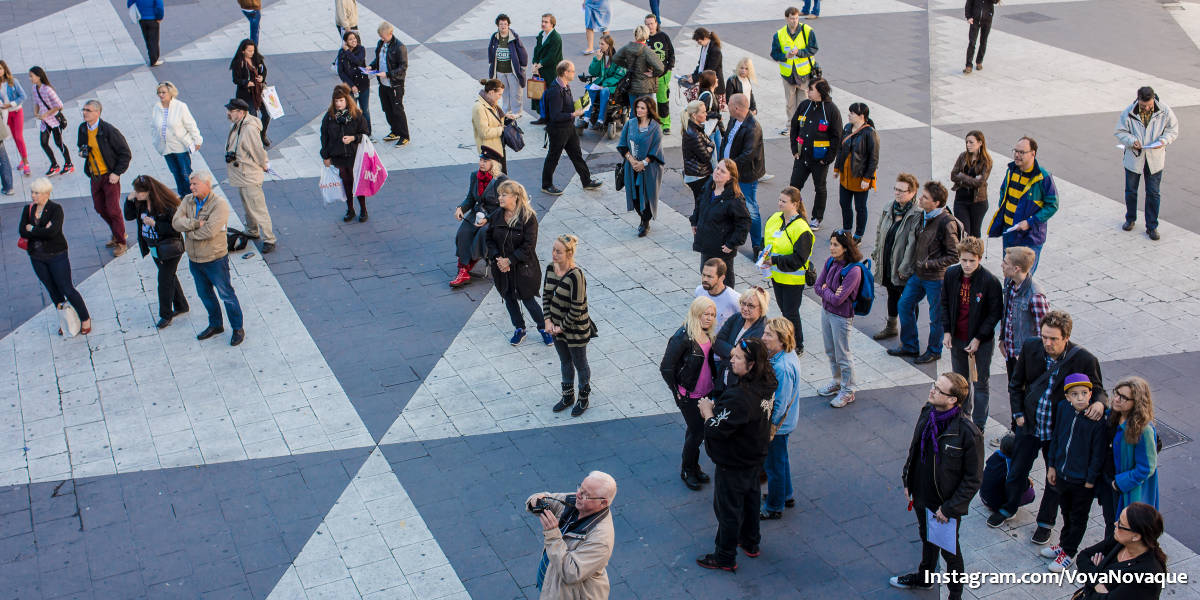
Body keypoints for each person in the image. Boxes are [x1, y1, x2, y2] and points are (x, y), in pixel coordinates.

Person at [989, 311, 1106, 546]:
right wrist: (1018, 414)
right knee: (1017, 470)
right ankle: (1009, 507)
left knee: (1054, 478)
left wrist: (1101, 403)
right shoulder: (1032, 347)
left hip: (1058, 431)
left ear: (1066, 337)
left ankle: (1045, 523)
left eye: (1053, 339)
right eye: (1044, 337)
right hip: (1029, 424)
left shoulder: (1084, 359)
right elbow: (1016, 383)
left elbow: (1099, 389)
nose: (1047, 343)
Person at [890, 372, 983, 600]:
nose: (932, 390)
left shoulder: (968, 433)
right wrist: (907, 480)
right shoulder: (927, 412)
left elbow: (973, 479)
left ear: (953, 400)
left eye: (939, 389)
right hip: (921, 493)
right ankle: (924, 578)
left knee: (950, 552)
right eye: (935, 385)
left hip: (944, 503)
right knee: (926, 537)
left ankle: (955, 595)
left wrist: (950, 509)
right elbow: (914, 449)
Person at [695, 337, 777, 572]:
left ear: (751, 364)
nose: (731, 359)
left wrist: (707, 411)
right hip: (756, 453)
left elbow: (716, 429)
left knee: (728, 509)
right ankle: (751, 541)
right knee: (751, 498)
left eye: (738, 358)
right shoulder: (768, 381)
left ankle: (724, 556)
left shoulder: (740, 397)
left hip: (734, 460)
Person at [1042, 373, 1109, 573]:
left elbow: (1098, 453)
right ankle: (1063, 545)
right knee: (1066, 512)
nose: (1080, 397)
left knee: (1078, 516)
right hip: (1062, 474)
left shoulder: (1097, 420)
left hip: (1082, 482)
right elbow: (1056, 437)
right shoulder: (1063, 409)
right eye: (1074, 394)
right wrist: (1052, 465)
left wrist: (1090, 480)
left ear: (1090, 394)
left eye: (1084, 393)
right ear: (1067, 397)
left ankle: (1069, 553)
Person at [889, 181, 961, 364]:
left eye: (925, 197)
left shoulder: (946, 222)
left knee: (936, 316)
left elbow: (954, 255)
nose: (920, 198)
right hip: (918, 274)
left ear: (936, 203)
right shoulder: (924, 215)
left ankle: (934, 350)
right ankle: (910, 346)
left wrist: (930, 264)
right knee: (904, 305)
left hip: (936, 278)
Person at [939, 236, 1002, 431]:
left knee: (980, 383)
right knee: (960, 381)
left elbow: (994, 313)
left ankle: (979, 424)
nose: (967, 265)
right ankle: (963, 417)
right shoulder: (951, 274)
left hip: (980, 342)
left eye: (971, 261)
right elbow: (945, 303)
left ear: (980, 259)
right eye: (964, 260)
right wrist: (947, 331)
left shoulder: (990, 281)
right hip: (957, 337)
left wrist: (978, 338)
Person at [174, 171, 243, 345]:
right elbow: (176, 222)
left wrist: (188, 231)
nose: (191, 187)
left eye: (195, 184)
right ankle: (216, 324)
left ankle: (237, 328)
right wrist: (195, 224)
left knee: (226, 294)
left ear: (207, 184)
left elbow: (210, 231)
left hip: (215, 259)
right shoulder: (188, 200)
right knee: (205, 295)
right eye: (191, 184)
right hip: (195, 260)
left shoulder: (219, 205)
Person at [18, 177, 92, 335]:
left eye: (37, 193)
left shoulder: (55, 209)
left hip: (56, 255)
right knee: (52, 289)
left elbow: (53, 232)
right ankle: (66, 319)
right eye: (32, 192)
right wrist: (41, 230)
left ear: (46, 194)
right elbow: (22, 231)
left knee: (67, 287)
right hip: (37, 256)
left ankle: (85, 318)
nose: (33, 196)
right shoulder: (28, 209)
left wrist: (33, 229)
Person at [526, 472, 617, 599]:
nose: (578, 494)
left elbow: (571, 573)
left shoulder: (601, 539)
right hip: (551, 583)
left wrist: (552, 536)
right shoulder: (575, 501)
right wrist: (535, 502)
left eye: (586, 495)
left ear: (603, 503)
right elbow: (545, 498)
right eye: (580, 487)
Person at [661, 296, 719, 490]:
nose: (709, 318)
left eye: (712, 314)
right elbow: (666, 367)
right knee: (697, 432)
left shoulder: (708, 333)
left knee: (694, 432)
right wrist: (676, 390)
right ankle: (687, 470)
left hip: (707, 391)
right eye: (705, 314)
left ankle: (694, 466)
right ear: (696, 313)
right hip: (689, 395)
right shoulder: (682, 337)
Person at [487, 180, 552, 346]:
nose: (500, 197)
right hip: (501, 267)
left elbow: (528, 246)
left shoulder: (528, 218)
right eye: (499, 194)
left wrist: (510, 260)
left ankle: (544, 328)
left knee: (528, 299)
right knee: (509, 298)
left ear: (515, 197)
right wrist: (498, 259)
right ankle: (519, 328)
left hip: (524, 268)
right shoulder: (496, 215)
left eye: (504, 194)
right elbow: (488, 239)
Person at [1115, 86, 1179, 241]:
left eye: (1149, 105)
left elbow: (1173, 130)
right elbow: (1120, 132)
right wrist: (1132, 141)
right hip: (1134, 157)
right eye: (1143, 106)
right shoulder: (1129, 112)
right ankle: (1130, 219)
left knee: (1153, 193)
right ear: (1138, 100)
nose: (1147, 108)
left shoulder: (1164, 111)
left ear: (1153, 99)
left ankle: (1152, 226)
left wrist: (1163, 141)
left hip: (1155, 158)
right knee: (1131, 191)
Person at [544, 234, 598, 417]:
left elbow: (578, 307)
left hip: (575, 329)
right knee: (565, 361)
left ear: (569, 253)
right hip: (556, 327)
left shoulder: (576, 275)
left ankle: (583, 398)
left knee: (580, 363)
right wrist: (548, 320)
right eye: (553, 250)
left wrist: (562, 327)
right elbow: (546, 297)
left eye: (558, 252)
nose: (554, 254)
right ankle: (568, 396)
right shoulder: (550, 269)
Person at [987, 136, 1058, 274]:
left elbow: (1052, 205)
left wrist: (1030, 222)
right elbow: (1003, 192)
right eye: (1015, 151)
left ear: (1033, 154)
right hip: (1010, 232)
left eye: (1021, 152)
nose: (1017, 155)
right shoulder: (1011, 171)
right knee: (1008, 274)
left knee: (1023, 278)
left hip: (1029, 238)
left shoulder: (1043, 177)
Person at [124, 175, 188, 328]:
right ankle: (181, 305)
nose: (137, 194)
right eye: (136, 191)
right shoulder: (140, 204)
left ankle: (165, 315)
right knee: (169, 276)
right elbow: (128, 216)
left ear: (149, 191)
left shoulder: (167, 205)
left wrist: (155, 224)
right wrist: (128, 200)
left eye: (139, 192)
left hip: (169, 248)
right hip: (154, 248)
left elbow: (176, 228)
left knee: (164, 280)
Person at [1074, 503, 1167, 600]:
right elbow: (1083, 556)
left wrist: (1093, 575)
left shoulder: (1146, 575)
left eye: (1121, 524)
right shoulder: (1120, 540)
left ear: (1136, 536)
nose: (1115, 524)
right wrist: (1097, 583)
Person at [761, 187, 814, 353]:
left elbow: (799, 259)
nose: (779, 204)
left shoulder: (802, 229)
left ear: (795, 204)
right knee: (785, 311)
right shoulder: (775, 219)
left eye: (784, 201)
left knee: (791, 313)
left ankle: (798, 344)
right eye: (779, 200)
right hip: (777, 276)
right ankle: (787, 339)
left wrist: (774, 260)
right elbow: (767, 240)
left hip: (792, 280)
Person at [77, 99, 132, 257]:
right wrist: (83, 152)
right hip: (94, 176)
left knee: (114, 210)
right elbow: (81, 146)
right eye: (84, 110)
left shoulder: (108, 130)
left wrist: (117, 173)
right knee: (100, 208)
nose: (84, 113)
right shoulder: (82, 129)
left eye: (88, 110)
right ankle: (117, 232)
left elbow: (125, 153)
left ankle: (121, 241)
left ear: (97, 113)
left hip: (109, 176)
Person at [815, 230, 863, 408]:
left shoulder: (853, 270)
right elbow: (817, 286)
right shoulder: (830, 262)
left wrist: (826, 291)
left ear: (845, 247)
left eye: (836, 244)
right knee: (830, 351)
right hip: (826, 312)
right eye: (831, 243)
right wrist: (828, 291)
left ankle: (848, 390)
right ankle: (837, 381)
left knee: (843, 353)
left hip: (841, 317)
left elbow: (838, 299)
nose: (831, 248)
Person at [871, 173, 922, 341]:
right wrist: (877, 252)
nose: (897, 193)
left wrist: (905, 268)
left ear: (912, 192)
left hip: (903, 267)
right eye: (896, 189)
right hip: (887, 262)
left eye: (902, 190)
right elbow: (879, 232)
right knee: (891, 294)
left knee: (908, 301)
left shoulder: (916, 215)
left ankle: (910, 335)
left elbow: (912, 245)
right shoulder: (888, 207)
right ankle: (891, 326)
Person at [540, 61, 603, 196]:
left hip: (569, 128)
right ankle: (546, 185)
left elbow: (565, 107)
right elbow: (556, 115)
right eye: (572, 71)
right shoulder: (555, 91)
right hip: (558, 130)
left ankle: (586, 181)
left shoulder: (565, 86)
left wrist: (578, 105)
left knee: (577, 155)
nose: (574, 73)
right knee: (553, 157)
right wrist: (574, 114)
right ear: (565, 73)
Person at [760, 318, 801, 518]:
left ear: (782, 339)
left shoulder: (781, 367)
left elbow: (780, 403)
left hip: (779, 425)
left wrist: (770, 426)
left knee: (773, 466)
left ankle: (774, 506)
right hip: (788, 421)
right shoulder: (788, 354)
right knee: (781, 459)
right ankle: (786, 494)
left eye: (769, 335)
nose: (763, 337)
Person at [788, 77, 841, 229]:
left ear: (821, 92)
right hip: (801, 156)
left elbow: (837, 136)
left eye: (811, 89)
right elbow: (794, 126)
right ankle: (793, 212)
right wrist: (794, 149)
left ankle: (817, 217)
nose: (808, 91)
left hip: (819, 160)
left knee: (820, 188)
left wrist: (828, 159)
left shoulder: (831, 110)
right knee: (794, 186)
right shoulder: (805, 105)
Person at [450, 147, 507, 288]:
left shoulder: (502, 180)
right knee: (463, 233)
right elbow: (470, 198)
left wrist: (487, 219)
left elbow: (504, 205)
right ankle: (463, 269)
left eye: (485, 161)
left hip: (495, 215)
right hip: (478, 213)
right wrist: (460, 208)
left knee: (482, 233)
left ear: (493, 163)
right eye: (480, 160)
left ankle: (467, 265)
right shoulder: (475, 175)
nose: (481, 163)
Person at [224, 98, 275, 253]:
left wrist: (264, 164)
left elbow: (257, 151)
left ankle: (269, 239)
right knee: (247, 205)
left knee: (258, 207)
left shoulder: (249, 128)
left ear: (241, 112)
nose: (228, 113)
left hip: (248, 174)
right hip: (241, 174)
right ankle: (252, 230)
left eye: (231, 111)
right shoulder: (238, 124)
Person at [691, 159, 750, 287]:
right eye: (717, 168)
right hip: (706, 243)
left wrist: (732, 243)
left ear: (730, 177)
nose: (717, 172)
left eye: (722, 171)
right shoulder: (708, 187)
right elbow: (699, 205)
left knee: (724, 280)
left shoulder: (735, 198)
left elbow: (744, 222)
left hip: (722, 248)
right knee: (706, 273)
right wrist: (694, 221)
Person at [719, 94, 766, 256]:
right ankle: (732, 238)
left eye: (729, 104)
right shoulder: (734, 120)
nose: (727, 106)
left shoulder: (753, 127)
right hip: (730, 172)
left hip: (745, 175)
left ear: (737, 108)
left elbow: (748, 154)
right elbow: (726, 142)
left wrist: (728, 168)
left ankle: (757, 245)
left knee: (750, 208)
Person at [320, 84, 371, 223]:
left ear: (347, 100)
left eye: (341, 101)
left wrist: (353, 138)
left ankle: (363, 209)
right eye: (336, 101)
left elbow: (365, 133)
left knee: (358, 182)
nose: (338, 104)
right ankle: (350, 209)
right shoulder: (329, 117)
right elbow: (324, 136)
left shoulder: (356, 115)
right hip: (339, 156)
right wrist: (325, 156)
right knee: (346, 183)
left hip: (355, 155)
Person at [1109, 376, 1159, 515]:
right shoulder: (1114, 414)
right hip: (1110, 484)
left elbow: (1147, 468)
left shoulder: (1144, 430)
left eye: (1123, 397)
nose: (1117, 399)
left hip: (1129, 492)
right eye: (1117, 393)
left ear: (1136, 402)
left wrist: (1120, 483)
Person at [618, 97, 664, 237]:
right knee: (635, 196)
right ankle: (643, 219)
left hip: (650, 168)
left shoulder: (655, 127)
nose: (639, 110)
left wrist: (643, 163)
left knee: (648, 195)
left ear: (649, 110)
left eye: (642, 108)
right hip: (631, 168)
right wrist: (632, 161)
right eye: (637, 107)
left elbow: (656, 150)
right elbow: (622, 145)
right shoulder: (630, 124)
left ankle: (645, 222)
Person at [832, 102, 878, 240]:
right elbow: (840, 149)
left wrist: (867, 179)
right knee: (844, 203)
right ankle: (847, 230)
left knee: (860, 207)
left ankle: (858, 234)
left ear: (861, 116)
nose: (849, 115)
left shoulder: (870, 133)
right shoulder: (847, 128)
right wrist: (836, 168)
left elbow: (873, 158)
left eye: (852, 113)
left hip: (859, 177)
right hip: (845, 176)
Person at [998, 246, 1047, 376]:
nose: (1002, 265)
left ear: (1016, 268)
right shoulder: (1010, 284)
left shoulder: (1035, 295)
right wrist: (1003, 338)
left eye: (1005, 262)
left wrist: (1030, 355)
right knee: (1013, 390)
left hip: (1025, 356)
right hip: (1011, 352)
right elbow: (1008, 315)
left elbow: (1043, 330)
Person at [770, 7, 818, 133]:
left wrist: (800, 53)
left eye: (796, 18)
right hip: (788, 75)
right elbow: (774, 54)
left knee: (804, 101)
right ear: (786, 18)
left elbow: (814, 48)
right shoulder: (779, 34)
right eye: (792, 18)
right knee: (790, 103)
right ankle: (791, 127)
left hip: (804, 74)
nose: (794, 21)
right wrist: (785, 56)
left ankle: (803, 126)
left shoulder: (807, 31)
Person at [151, 82, 203, 197]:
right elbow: (153, 126)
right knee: (175, 173)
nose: (161, 95)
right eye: (159, 93)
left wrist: (197, 140)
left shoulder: (180, 106)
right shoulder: (156, 107)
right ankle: (183, 196)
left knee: (185, 173)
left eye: (163, 92)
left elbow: (190, 124)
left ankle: (192, 195)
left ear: (171, 93)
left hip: (180, 147)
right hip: (165, 147)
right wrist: (155, 141)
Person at [712, 287, 769, 389]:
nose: (745, 308)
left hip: (741, 384)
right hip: (723, 377)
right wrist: (735, 352)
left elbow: (748, 360)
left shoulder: (762, 331)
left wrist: (726, 352)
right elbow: (717, 342)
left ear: (761, 308)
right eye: (743, 303)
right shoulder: (737, 318)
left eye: (751, 306)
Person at [28, 67, 72, 177]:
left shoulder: (48, 89)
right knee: (43, 143)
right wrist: (36, 112)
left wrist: (46, 113)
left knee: (59, 143)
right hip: (45, 122)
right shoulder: (34, 88)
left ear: (38, 76)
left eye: (31, 76)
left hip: (55, 122)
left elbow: (59, 105)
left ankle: (69, 164)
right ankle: (54, 164)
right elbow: (37, 101)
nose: (30, 78)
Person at [371, 22, 410, 146]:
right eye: (380, 37)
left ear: (390, 34)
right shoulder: (381, 44)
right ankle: (395, 131)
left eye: (383, 36)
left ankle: (404, 135)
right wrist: (371, 66)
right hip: (383, 84)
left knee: (397, 110)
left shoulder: (399, 47)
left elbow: (403, 67)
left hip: (394, 85)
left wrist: (387, 74)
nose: (381, 39)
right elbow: (378, 59)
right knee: (387, 108)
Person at [949, 130, 992, 238]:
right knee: (964, 232)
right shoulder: (963, 156)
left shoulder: (986, 161)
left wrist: (962, 177)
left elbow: (979, 183)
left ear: (980, 143)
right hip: (961, 201)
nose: (968, 145)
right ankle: (964, 255)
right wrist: (972, 179)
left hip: (978, 202)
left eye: (971, 142)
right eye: (967, 142)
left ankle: (976, 255)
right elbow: (953, 175)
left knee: (975, 234)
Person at [230, 39, 272, 148]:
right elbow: (235, 79)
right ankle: (254, 139)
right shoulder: (238, 63)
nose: (252, 53)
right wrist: (245, 82)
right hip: (246, 94)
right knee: (253, 117)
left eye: (253, 50)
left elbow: (264, 70)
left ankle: (262, 135)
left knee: (267, 115)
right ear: (243, 51)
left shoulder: (257, 58)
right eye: (249, 51)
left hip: (259, 91)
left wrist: (262, 77)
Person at [980, 432, 1035, 513]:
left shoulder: (995, 455)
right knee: (1030, 494)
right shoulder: (1012, 465)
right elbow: (1022, 486)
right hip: (995, 504)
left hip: (983, 497)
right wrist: (1026, 480)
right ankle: (1006, 511)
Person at [578, 35, 624, 130]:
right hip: (601, 83)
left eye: (602, 44)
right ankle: (586, 118)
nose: (600, 46)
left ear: (609, 45)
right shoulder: (601, 56)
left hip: (612, 85)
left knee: (604, 91)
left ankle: (600, 120)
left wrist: (604, 85)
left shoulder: (618, 58)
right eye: (599, 43)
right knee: (590, 88)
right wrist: (597, 60)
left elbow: (619, 75)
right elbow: (593, 72)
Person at [613, 25, 664, 109]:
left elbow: (615, 58)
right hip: (645, 87)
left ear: (635, 35)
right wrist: (653, 74)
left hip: (631, 85)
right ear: (646, 35)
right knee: (647, 112)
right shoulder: (647, 51)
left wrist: (627, 66)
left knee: (634, 112)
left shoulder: (627, 47)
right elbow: (660, 68)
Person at [488, 14, 529, 119]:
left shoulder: (513, 37)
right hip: (500, 71)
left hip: (512, 71)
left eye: (505, 24)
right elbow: (490, 49)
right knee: (504, 92)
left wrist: (523, 67)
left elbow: (522, 52)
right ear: (498, 25)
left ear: (508, 25)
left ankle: (517, 112)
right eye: (501, 24)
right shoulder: (495, 36)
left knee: (516, 92)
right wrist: (491, 63)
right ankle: (506, 110)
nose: (503, 26)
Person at [472, 78, 515, 173]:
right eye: (499, 94)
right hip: (490, 151)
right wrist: (501, 129)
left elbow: (494, 119)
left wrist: (505, 117)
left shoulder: (491, 103)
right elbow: (484, 133)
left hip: (498, 147)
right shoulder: (479, 108)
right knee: (495, 182)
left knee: (502, 180)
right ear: (491, 92)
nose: (500, 97)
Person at [681, 100, 714, 211]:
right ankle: (697, 225)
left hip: (697, 172)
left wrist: (709, 146)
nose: (706, 114)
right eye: (703, 112)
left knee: (701, 203)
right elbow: (705, 156)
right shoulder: (693, 133)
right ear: (695, 115)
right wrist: (709, 149)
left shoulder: (696, 128)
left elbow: (709, 143)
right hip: (698, 174)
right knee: (701, 204)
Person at [529, 14, 562, 124]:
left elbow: (552, 56)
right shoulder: (541, 35)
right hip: (540, 70)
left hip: (551, 71)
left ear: (552, 24)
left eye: (546, 22)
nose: (543, 24)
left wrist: (539, 65)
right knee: (540, 94)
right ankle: (543, 117)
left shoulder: (556, 38)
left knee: (550, 96)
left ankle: (551, 119)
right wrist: (534, 63)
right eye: (542, 21)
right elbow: (536, 50)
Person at [644, 14, 675, 133]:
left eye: (652, 23)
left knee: (662, 100)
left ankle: (665, 124)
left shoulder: (663, 36)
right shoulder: (644, 38)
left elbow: (671, 54)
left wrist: (669, 68)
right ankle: (651, 122)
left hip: (663, 75)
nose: (650, 26)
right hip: (648, 76)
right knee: (648, 101)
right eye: (647, 24)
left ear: (656, 23)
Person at [336, 30, 371, 130]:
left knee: (365, 110)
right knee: (353, 111)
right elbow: (341, 72)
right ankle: (355, 132)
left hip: (363, 85)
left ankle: (367, 132)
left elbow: (358, 62)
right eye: (350, 39)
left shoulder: (361, 49)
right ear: (346, 42)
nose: (353, 41)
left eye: (354, 38)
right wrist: (351, 86)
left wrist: (347, 51)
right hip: (350, 87)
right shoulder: (341, 52)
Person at [0, 61, 30, 177]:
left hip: (17, 111)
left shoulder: (13, 82)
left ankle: (26, 163)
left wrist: (11, 104)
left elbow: (23, 96)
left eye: (1, 69)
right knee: (14, 138)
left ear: (5, 69)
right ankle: (23, 159)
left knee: (18, 136)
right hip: (6, 114)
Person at [695, 258, 740, 330]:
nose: (705, 279)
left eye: (709, 276)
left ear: (721, 278)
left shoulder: (734, 299)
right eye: (703, 275)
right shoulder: (699, 291)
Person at [682, 28, 725, 99]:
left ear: (705, 38)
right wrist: (693, 75)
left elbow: (709, 70)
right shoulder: (705, 46)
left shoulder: (715, 50)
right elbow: (701, 64)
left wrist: (695, 78)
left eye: (699, 42)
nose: (699, 44)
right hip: (706, 82)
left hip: (714, 85)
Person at [963, 0, 997, 73]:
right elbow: (968, 3)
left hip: (987, 20)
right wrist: (968, 17)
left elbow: (995, 2)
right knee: (972, 42)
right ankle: (968, 65)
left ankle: (979, 62)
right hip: (975, 20)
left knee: (983, 41)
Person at [129, 0, 164, 66]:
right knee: (153, 40)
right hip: (153, 19)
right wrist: (160, 17)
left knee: (147, 38)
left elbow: (129, 3)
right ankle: (154, 60)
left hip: (142, 19)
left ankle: (151, 57)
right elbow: (159, 6)